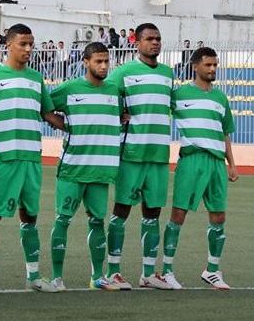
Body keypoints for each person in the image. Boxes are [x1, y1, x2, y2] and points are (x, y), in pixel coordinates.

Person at [0, 24, 64, 294]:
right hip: (6, 157)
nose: (29, 49)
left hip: (32, 156)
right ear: (8, 45)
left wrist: (75, 126)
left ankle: (34, 276)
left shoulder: (36, 78)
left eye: (31, 44)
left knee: (29, 216)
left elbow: (47, 112)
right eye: (23, 44)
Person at [161, 47, 238, 290]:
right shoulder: (179, 94)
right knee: (178, 214)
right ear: (195, 66)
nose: (213, 69)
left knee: (218, 216)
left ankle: (212, 270)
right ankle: (167, 271)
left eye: (215, 65)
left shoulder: (220, 98)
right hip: (192, 160)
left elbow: (225, 133)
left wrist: (232, 164)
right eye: (208, 65)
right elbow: (157, 109)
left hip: (216, 162)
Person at [104, 23, 174, 290]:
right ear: (137, 43)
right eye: (149, 39)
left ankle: (148, 273)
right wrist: (117, 116)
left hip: (158, 155)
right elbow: (106, 100)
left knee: (153, 213)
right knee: (121, 211)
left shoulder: (168, 73)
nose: (154, 43)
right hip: (132, 153)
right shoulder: (123, 72)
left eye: (158, 38)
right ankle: (113, 270)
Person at [49, 42, 122, 291]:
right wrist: (62, 124)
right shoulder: (69, 89)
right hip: (73, 168)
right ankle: (57, 277)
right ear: (86, 62)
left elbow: (122, 116)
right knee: (63, 220)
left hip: (101, 170)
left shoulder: (115, 91)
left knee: (97, 222)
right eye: (98, 61)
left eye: (106, 61)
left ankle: (97, 277)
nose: (103, 66)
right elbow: (44, 107)